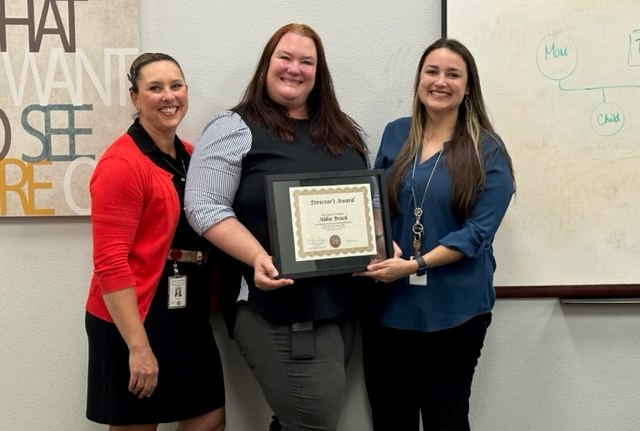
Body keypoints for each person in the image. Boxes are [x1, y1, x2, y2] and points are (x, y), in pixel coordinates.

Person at [184, 23, 369, 431]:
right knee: (314, 423)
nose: (294, 68)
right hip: (275, 307)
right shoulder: (234, 127)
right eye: (284, 57)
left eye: (307, 61)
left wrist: (374, 243)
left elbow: (361, 204)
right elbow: (203, 205)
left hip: (341, 305)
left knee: (299, 422)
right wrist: (257, 256)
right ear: (267, 64)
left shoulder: (342, 131)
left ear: (319, 73)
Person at [355, 38, 515, 431]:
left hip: (455, 313)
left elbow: (478, 233)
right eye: (432, 71)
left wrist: (417, 262)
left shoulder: (488, 150)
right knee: (391, 420)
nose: (440, 81)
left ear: (468, 87)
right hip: (389, 310)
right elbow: (375, 202)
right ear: (419, 79)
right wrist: (379, 240)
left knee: (447, 419)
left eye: (452, 74)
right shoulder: (396, 133)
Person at [85, 52, 225, 431]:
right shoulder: (122, 164)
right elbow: (110, 263)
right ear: (135, 98)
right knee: (138, 424)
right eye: (155, 88)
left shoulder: (192, 157)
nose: (169, 96)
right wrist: (138, 347)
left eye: (176, 86)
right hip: (136, 315)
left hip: (186, 311)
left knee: (209, 417)